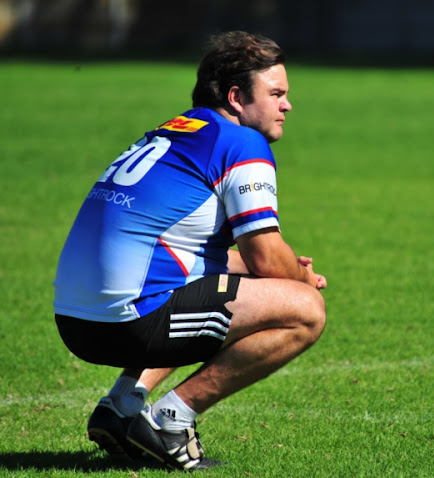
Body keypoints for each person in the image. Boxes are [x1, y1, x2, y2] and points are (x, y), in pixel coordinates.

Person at [53, 31, 327, 471]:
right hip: (127, 323)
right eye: (276, 93)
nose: (287, 105)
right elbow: (263, 257)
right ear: (237, 97)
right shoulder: (240, 143)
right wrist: (299, 277)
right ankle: (171, 420)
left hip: (75, 318)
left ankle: (122, 404)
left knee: (241, 285)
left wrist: (283, 269)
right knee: (306, 309)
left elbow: (207, 257)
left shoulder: (178, 131)